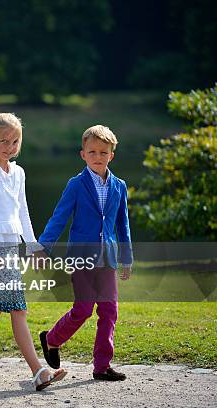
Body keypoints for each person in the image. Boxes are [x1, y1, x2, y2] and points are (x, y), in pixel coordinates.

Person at [0, 113, 67, 391]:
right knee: (19, 308)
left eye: (15, 140)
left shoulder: (18, 172)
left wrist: (33, 246)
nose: (9, 145)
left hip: (11, 248)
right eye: (3, 140)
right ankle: (39, 371)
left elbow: (23, 213)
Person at [37, 125, 133, 381]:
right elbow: (59, 217)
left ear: (111, 155)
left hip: (108, 257)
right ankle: (52, 339)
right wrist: (43, 247)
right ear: (83, 154)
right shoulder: (76, 185)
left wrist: (126, 257)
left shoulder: (119, 186)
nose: (98, 156)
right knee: (83, 309)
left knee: (109, 311)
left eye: (103, 152)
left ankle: (102, 366)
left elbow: (122, 224)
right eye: (92, 152)